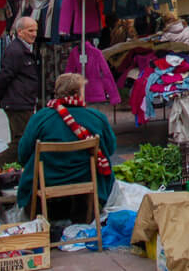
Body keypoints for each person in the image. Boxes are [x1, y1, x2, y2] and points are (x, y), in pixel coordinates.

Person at [16, 73, 116, 215]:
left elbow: (23, 154)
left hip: (46, 182)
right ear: (78, 93)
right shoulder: (96, 117)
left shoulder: (40, 118)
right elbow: (110, 149)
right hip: (86, 181)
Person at [0, 16, 40, 163]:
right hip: (18, 102)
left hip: (22, 100)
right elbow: (5, 75)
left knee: (21, 138)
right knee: (22, 139)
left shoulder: (22, 49)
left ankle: (4, 168)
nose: (34, 34)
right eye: (30, 30)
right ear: (20, 32)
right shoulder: (16, 51)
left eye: (35, 30)